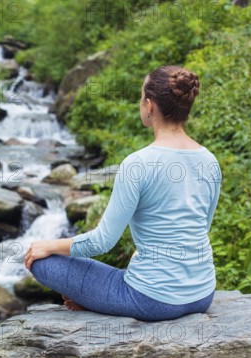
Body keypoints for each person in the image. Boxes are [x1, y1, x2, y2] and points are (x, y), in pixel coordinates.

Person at [24, 65, 221, 322]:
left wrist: (49, 245)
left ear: (149, 106)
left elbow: (102, 242)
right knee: (132, 262)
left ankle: (102, 301)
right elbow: (200, 228)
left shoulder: (137, 164)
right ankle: (102, 299)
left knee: (40, 261)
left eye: (141, 97)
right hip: (202, 294)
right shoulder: (209, 160)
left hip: (152, 301)